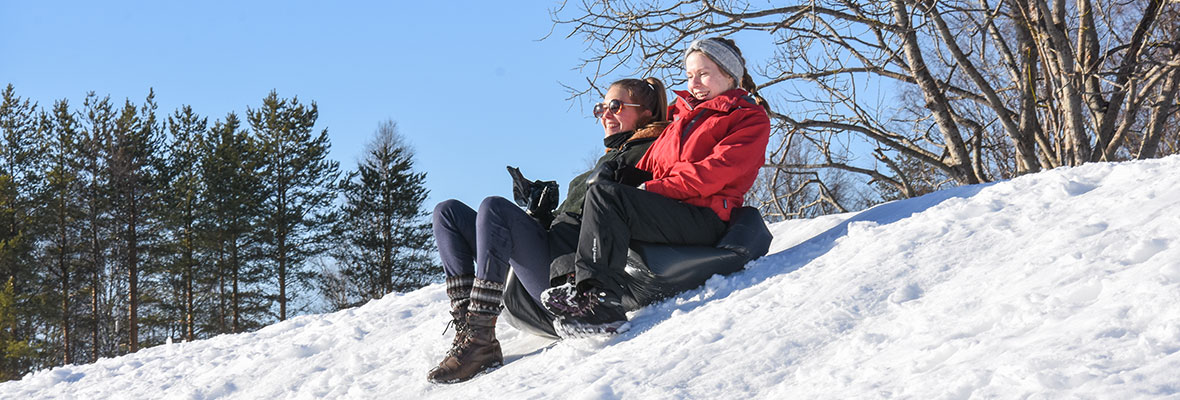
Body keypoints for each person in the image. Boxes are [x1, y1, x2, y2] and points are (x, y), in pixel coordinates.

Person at [426, 77, 670, 383]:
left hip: (568, 277)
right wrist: (541, 212)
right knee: (446, 212)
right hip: (551, 253)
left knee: (494, 208)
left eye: (616, 106)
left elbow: (614, 218)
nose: (605, 114)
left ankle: (481, 340)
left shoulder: (649, 155)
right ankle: (468, 329)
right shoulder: (608, 159)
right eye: (601, 108)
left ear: (646, 114)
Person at [542, 37, 772, 337]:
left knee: (608, 198)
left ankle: (604, 304)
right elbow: (651, 159)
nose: (695, 82)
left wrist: (651, 189)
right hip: (671, 208)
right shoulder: (682, 114)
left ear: (729, 75)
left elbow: (714, 173)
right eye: (690, 75)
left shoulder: (747, 117)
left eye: (703, 73)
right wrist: (622, 172)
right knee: (595, 195)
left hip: (706, 215)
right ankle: (574, 286)